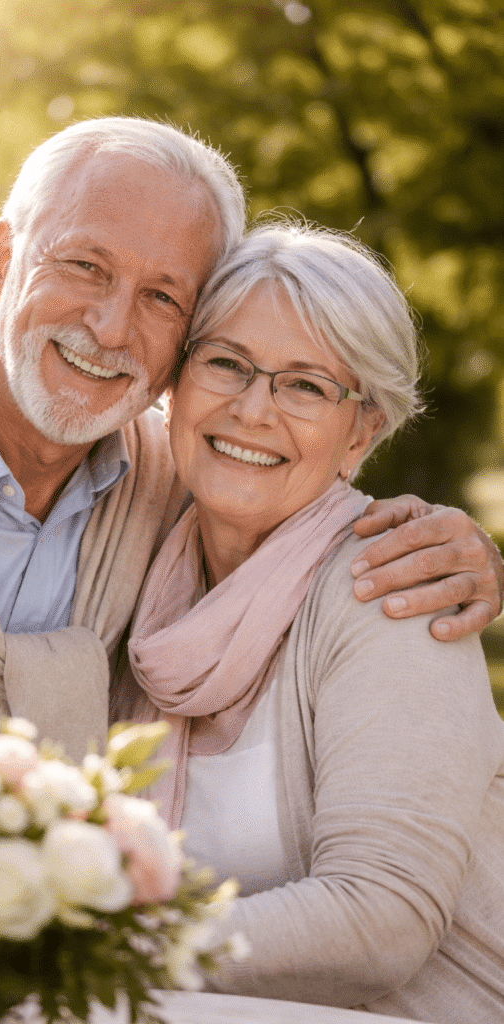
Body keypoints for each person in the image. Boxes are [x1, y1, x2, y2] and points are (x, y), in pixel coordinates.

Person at [0, 118, 500, 761]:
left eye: (162, 297)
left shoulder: (171, 486)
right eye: (85, 265)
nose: (112, 328)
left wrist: (458, 550)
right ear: (0, 262)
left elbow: (295, 515)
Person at [114, 219, 504, 1022]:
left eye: (304, 385)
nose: (253, 409)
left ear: (361, 433)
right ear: (173, 385)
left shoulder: (390, 587)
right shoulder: (134, 560)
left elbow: (379, 923)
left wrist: (101, 954)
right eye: (226, 363)